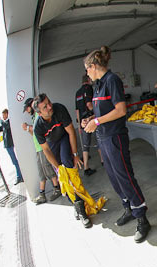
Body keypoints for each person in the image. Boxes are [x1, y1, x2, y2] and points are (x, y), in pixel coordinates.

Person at [83, 45, 151, 243]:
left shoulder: (112, 80)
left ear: (94, 66)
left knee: (125, 177)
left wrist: (97, 122)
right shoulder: (98, 85)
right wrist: (90, 120)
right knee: (114, 178)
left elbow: (120, 110)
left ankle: (142, 218)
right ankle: (128, 208)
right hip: (103, 137)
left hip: (115, 137)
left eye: (87, 69)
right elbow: (103, 113)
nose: (87, 73)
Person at [32, 94, 92, 228]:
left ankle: (82, 211)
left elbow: (71, 132)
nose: (49, 106)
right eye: (45, 107)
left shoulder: (59, 109)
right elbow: (46, 150)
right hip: (52, 145)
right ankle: (77, 205)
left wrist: (75, 154)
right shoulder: (38, 127)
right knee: (64, 178)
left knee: (68, 164)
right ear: (39, 113)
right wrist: (58, 169)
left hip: (65, 137)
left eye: (49, 102)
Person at [22, 97, 61, 204]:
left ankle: (57, 188)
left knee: (48, 168)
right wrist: (28, 129)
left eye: (27, 108)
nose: (26, 111)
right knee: (41, 171)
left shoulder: (38, 116)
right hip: (37, 148)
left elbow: (40, 131)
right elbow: (34, 134)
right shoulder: (33, 118)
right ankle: (42, 194)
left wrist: (28, 128)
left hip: (43, 147)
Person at [75, 74, 100, 176]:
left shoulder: (77, 92)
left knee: (85, 146)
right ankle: (104, 161)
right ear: (89, 79)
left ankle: (86, 168)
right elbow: (89, 105)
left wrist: (79, 124)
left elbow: (77, 110)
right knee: (99, 139)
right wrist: (97, 113)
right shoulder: (89, 88)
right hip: (91, 118)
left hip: (82, 122)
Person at [0, 109, 23, 185]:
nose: (3, 116)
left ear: (7, 114)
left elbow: (6, 126)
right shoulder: (4, 123)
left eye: (4, 115)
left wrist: (1, 121)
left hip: (10, 144)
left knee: (15, 161)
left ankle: (19, 176)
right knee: (14, 161)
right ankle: (20, 175)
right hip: (7, 145)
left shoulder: (8, 122)